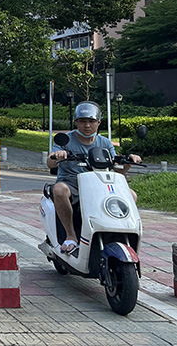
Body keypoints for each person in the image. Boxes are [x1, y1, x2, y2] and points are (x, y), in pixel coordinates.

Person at [46, 101, 142, 254]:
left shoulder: (104, 142)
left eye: (91, 121)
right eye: (82, 121)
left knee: (131, 195)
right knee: (59, 190)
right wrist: (57, 155)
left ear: (98, 122)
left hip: (99, 183)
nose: (87, 125)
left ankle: (119, 234)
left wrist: (128, 162)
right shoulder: (66, 140)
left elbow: (116, 171)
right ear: (76, 122)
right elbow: (50, 163)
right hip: (72, 181)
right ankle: (71, 236)